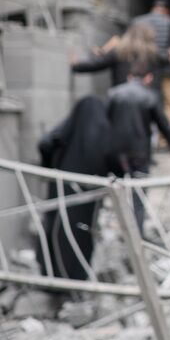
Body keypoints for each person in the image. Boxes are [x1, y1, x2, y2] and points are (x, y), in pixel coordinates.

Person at [37, 95, 111, 280]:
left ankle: (52, 274)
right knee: (82, 232)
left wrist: (48, 168)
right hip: (89, 191)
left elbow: (45, 143)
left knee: (57, 227)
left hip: (63, 185)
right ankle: (77, 277)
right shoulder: (105, 130)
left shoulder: (70, 128)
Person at [107, 68, 170, 234]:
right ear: (149, 78)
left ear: (130, 76)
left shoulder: (114, 94)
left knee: (116, 193)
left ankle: (120, 231)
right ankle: (136, 238)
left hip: (116, 154)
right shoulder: (150, 96)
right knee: (138, 197)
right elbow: (163, 125)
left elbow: (105, 121)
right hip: (139, 154)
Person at [131, 0, 170, 135]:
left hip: (143, 71)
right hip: (166, 71)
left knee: (146, 102)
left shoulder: (138, 21)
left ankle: (147, 136)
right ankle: (166, 137)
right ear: (167, 10)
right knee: (168, 103)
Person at [71, 22, 166, 87]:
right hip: (144, 102)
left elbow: (97, 64)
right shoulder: (153, 55)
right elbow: (167, 59)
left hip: (119, 100)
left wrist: (76, 66)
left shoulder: (119, 51)